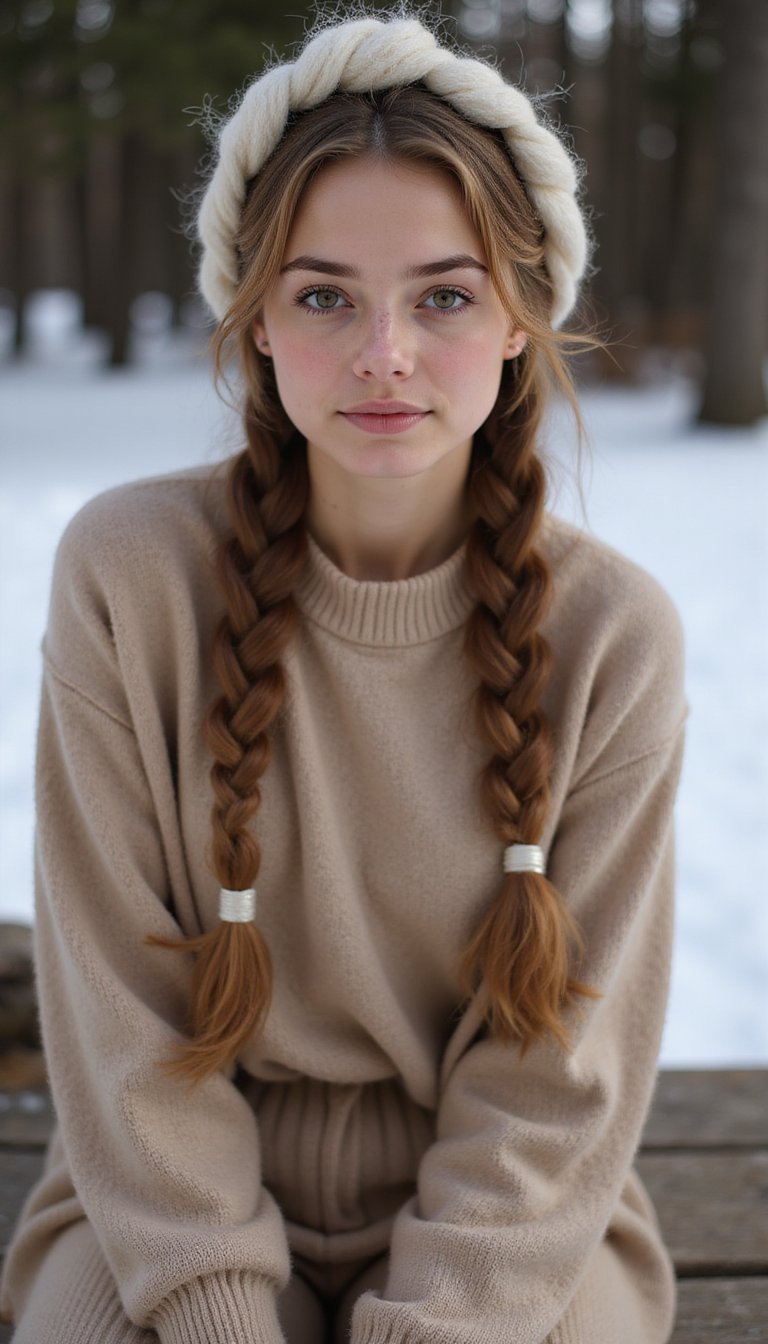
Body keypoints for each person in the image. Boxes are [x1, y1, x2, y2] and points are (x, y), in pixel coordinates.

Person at [0, 9, 689, 1344]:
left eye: (445, 296)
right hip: (154, 1201)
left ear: (521, 318)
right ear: (256, 318)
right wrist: (214, 1306)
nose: (385, 353)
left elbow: (560, 1075)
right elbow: (118, 1009)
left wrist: (441, 1320)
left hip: (511, 1223)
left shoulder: (613, 638)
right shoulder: (130, 577)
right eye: (324, 296)